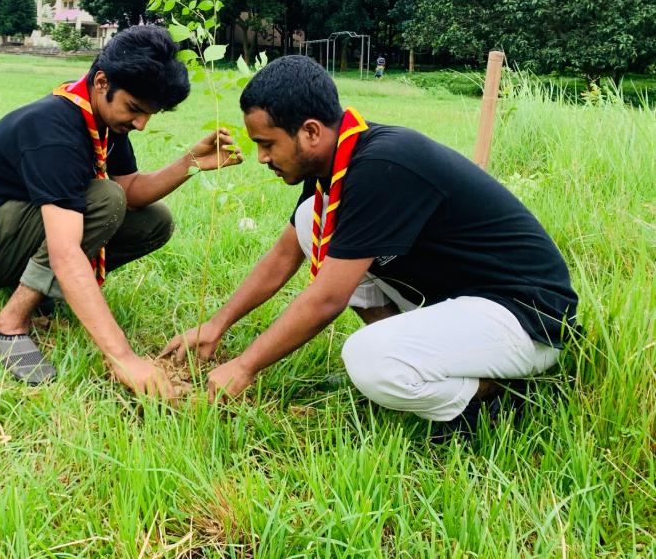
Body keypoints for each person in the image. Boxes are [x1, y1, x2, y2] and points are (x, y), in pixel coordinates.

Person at [162, 56, 577, 439]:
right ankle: (418, 363)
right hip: (463, 302)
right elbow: (285, 254)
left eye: (267, 143)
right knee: (313, 221)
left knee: (368, 359)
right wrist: (216, 325)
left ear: (310, 132)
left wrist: (244, 366)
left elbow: (326, 299)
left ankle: (487, 399)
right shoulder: (337, 159)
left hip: (526, 318)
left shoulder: (383, 166)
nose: (260, 157)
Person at [0, 25, 242, 397]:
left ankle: (42, 295)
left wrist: (190, 162)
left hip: (19, 229)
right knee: (105, 199)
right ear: (102, 81)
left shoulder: (101, 118)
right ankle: (8, 324)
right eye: (134, 109)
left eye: (149, 114)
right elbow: (67, 248)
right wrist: (124, 357)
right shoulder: (55, 128)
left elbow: (133, 191)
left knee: (155, 221)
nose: (140, 124)